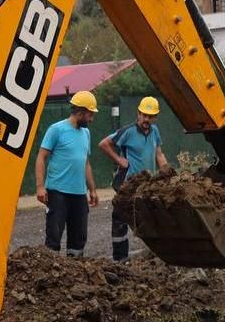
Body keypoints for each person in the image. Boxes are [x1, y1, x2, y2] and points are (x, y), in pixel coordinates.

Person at [98, 96, 169, 261]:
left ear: (155, 117)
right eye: (144, 115)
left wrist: (166, 173)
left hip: (147, 185)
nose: (146, 119)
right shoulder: (128, 131)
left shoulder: (155, 131)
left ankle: (157, 255)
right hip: (128, 185)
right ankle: (120, 259)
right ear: (138, 113)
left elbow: (159, 154)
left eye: (150, 116)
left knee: (151, 219)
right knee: (120, 220)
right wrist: (119, 160)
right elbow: (104, 143)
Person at [35, 91, 100, 257]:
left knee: (79, 238)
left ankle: (75, 271)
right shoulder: (56, 129)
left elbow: (85, 162)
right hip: (57, 193)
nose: (92, 120)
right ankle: (52, 273)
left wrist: (92, 190)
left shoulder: (86, 133)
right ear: (80, 113)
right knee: (54, 237)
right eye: (90, 115)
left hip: (79, 194)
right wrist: (40, 187)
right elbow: (41, 157)